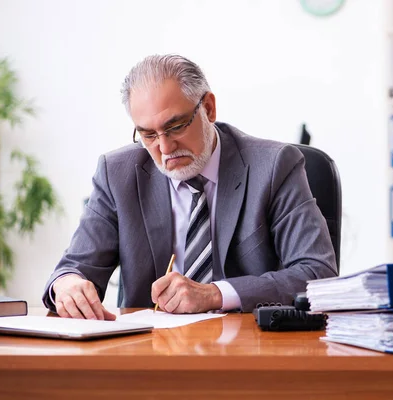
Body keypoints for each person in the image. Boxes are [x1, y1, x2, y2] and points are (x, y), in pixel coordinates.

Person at [42, 54, 338, 319]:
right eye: (148, 135)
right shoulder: (117, 174)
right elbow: (74, 268)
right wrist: (67, 284)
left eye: (175, 127)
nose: (165, 147)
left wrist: (215, 294)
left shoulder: (274, 166)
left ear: (208, 108)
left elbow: (317, 272)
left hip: (248, 353)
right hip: (149, 356)